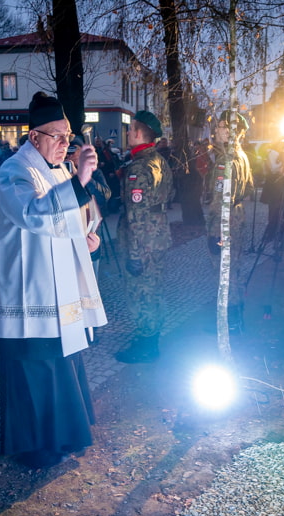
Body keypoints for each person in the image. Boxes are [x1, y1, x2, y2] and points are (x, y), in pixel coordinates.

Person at [0, 91, 106, 469]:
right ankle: (38, 445)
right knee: (36, 365)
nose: (66, 144)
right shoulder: (15, 170)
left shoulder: (59, 169)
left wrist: (88, 232)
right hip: (28, 289)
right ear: (34, 137)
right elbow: (36, 216)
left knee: (63, 359)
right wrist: (80, 179)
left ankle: (66, 435)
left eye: (69, 136)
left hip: (59, 283)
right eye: (58, 136)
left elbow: (76, 215)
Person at [114, 110, 174, 363]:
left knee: (141, 292)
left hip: (142, 241)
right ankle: (152, 336)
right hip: (158, 235)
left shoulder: (138, 168)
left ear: (139, 133)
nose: (128, 133)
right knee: (154, 288)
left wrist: (135, 254)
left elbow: (136, 215)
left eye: (130, 129)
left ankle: (146, 344)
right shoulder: (159, 160)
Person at [200, 111, 254, 332]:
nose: (218, 130)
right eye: (219, 126)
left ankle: (228, 323)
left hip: (225, 222)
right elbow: (249, 188)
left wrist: (215, 232)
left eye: (224, 126)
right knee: (235, 269)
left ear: (236, 132)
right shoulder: (243, 156)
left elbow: (220, 201)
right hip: (237, 217)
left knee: (224, 273)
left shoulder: (226, 160)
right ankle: (236, 317)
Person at [66, 135, 111, 277]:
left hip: (89, 233)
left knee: (90, 277)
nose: (70, 154)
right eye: (67, 149)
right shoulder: (56, 171)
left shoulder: (94, 172)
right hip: (66, 233)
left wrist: (83, 177)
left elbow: (105, 196)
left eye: (74, 149)